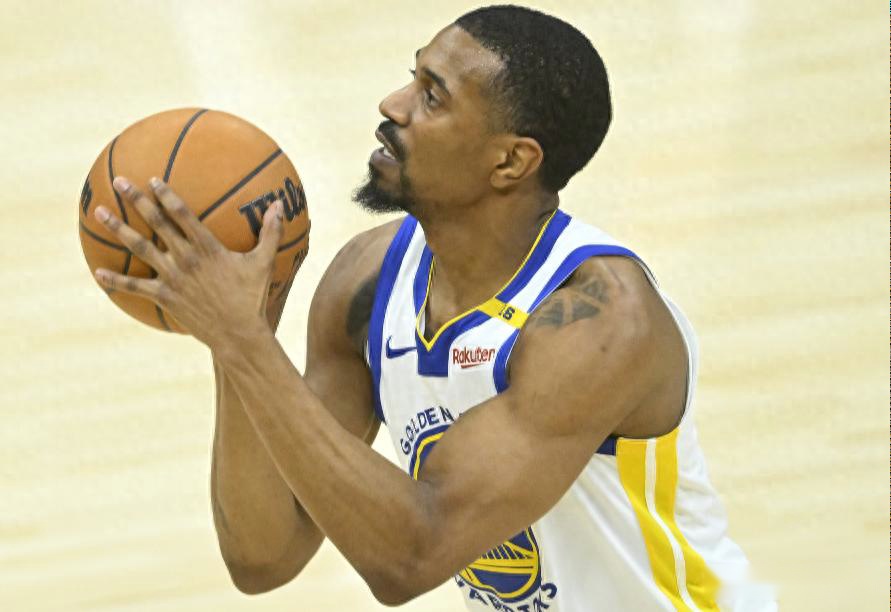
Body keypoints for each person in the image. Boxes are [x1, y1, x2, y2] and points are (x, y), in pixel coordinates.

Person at [92, 5, 775, 611]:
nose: (392, 106)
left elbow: (411, 557)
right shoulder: (365, 284)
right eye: (410, 78)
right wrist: (242, 329)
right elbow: (265, 556)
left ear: (510, 162)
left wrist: (246, 342)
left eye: (431, 97)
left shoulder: (599, 322)